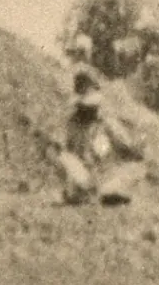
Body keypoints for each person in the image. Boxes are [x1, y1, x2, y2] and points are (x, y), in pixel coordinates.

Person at [52, 73, 145, 206]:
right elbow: (67, 152)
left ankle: (95, 195)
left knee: (135, 169)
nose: (93, 110)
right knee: (63, 158)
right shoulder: (72, 124)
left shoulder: (105, 122)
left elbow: (125, 146)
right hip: (83, 175)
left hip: (102, 175)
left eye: (94, 106)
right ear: (80, 106)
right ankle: (94, 195)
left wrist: (133, 151)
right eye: (90, 107)